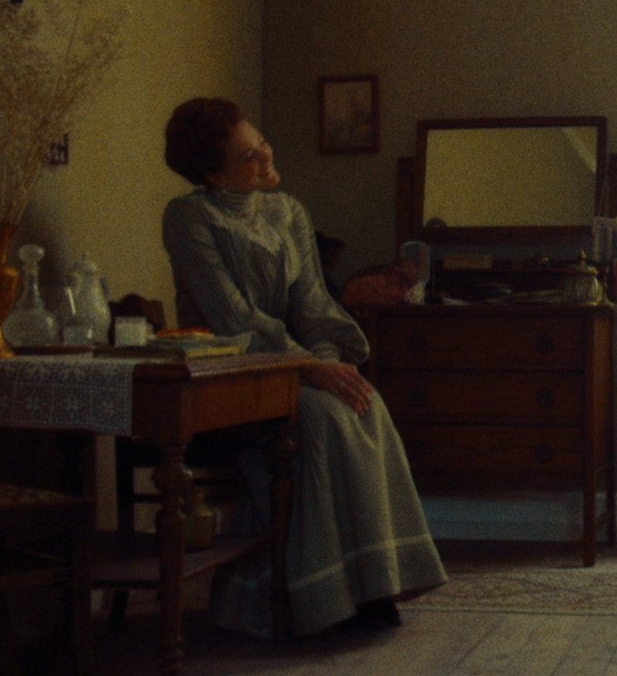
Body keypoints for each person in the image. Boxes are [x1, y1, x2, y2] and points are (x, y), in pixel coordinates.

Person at [161, 97, 446, 637]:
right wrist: (310, 370)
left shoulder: (287, 211)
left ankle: (373, 585)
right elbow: (232, 316)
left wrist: (331, 366)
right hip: (230, 379)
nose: (266, 155)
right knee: (321, 419)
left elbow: (314, 305)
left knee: (361, 404)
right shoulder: (189, 217)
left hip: (299, 367)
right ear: (213, 174)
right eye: (249, 156)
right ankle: (323, 600)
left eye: (261, 142)